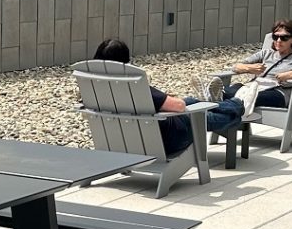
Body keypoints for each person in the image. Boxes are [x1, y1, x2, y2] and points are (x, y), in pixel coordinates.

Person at [92, 39, 244, 156]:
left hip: (123, 144)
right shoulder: (137, 89)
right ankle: (238, 105)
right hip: (167, 141)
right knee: (200, 115)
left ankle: (215, 101)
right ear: (126, 63)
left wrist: (164, 99)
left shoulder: (93, 89)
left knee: (191, 100)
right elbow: (179, 107)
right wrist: (167, 99)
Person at [224, 18, 292, 109]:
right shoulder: (266, 53)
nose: (278, 41)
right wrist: (249, 68)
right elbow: (236, 66)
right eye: (275, 36)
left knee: (236, 96)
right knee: (225, 92)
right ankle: (218, 113)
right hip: (255, 87)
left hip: (279, 93)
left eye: (284, 38)